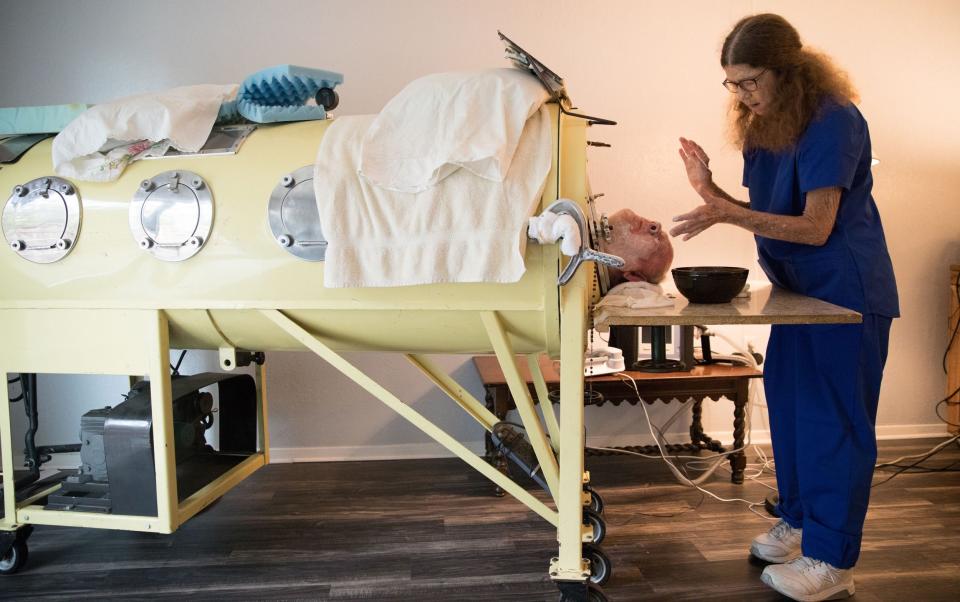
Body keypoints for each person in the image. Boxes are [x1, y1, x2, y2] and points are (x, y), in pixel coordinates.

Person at [671, 13, 899, 601]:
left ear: (787, 71)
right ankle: (799, 522)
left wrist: (724, 211)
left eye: (748, 81)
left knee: (835, 424)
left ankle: (831, 559)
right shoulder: (763, 125)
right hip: (798, 292)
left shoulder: (834, 122)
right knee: (793, 411)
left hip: (846, 292)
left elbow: (816, 226)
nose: (740, 95)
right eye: (731, 84)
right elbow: (760, 209)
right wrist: (708, 190)